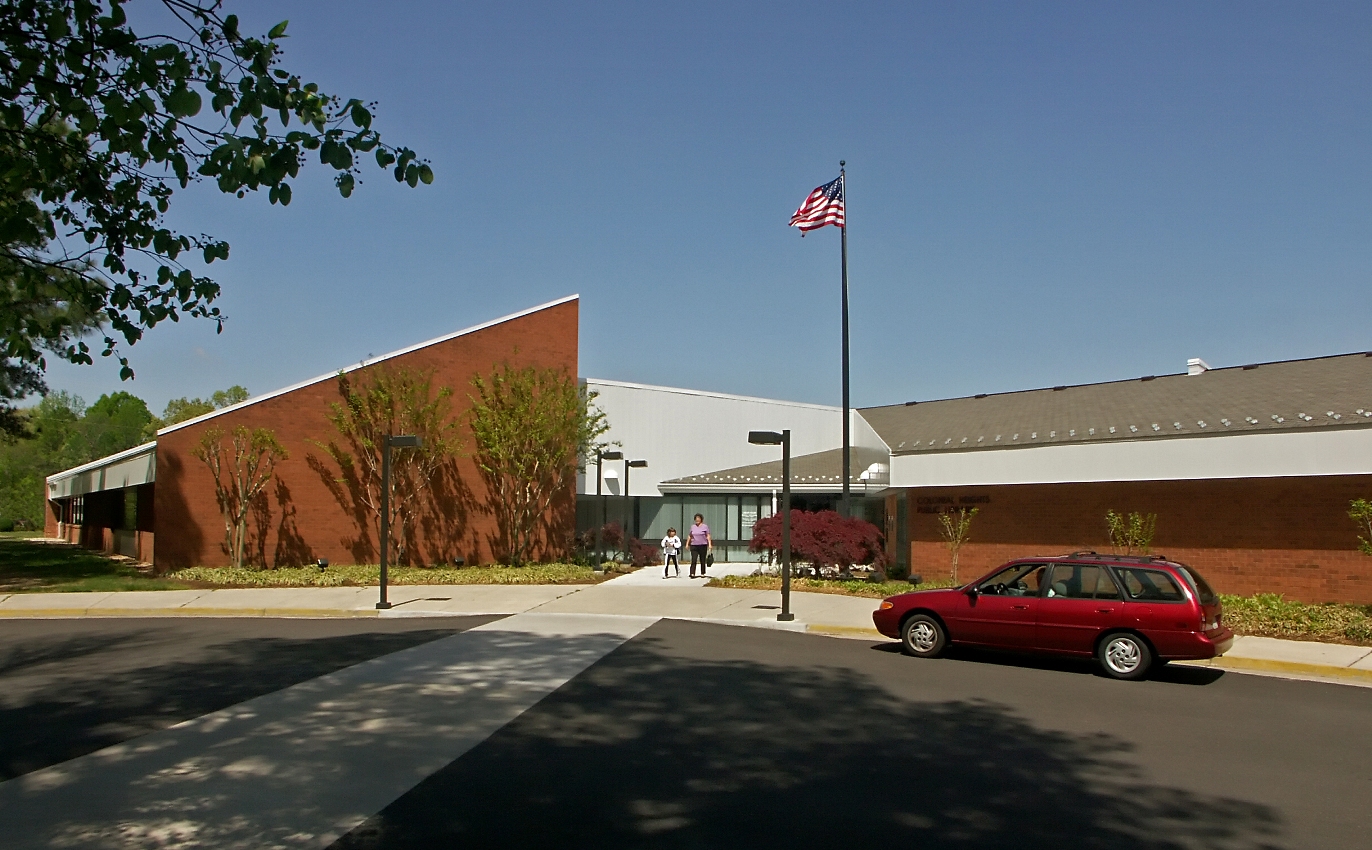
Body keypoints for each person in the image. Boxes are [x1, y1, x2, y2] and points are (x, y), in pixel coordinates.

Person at [687, 513, 712, 578]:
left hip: (703, 545)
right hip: (694, 545)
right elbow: (690, 536)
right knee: (694, 559)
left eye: (698, 519)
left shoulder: (705, 526)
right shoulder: (693, 527)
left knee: (702, 559)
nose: (697, 520)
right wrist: (687, 544)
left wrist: (710, 544)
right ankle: (692, 573)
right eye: (696, 519)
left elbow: (708, 535)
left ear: (701, 520)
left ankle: (702, 572)